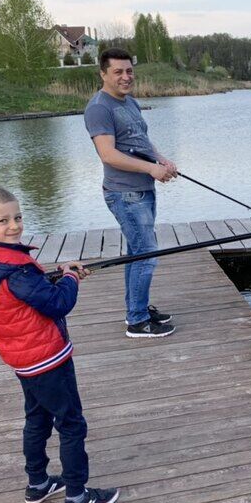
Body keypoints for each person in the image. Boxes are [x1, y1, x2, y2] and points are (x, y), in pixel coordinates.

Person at [0, 183, 119, 503]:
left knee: (37, 417)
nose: (15, 225)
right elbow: (57, 304)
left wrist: (58, 275)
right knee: (71, 423)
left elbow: (25, 294)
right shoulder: (18, 269)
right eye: (3, 221)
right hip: (46, 356)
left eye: (17, 217)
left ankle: (38, 484)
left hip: (22, 358)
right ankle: (78, 497)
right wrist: (70, 279)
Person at [84, 48, 178, 338]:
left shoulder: (130, 102)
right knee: (146, 255)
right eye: (118, 72)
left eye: (129, 71)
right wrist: (150, 170)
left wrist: (160, 159)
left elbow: (140, 141)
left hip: (142, 190)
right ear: (103, 74)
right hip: (125, 194)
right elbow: (109, 155)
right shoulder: (100, 108)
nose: (126, 77)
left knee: (137, 253)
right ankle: (137, 322)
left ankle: (136, 309)